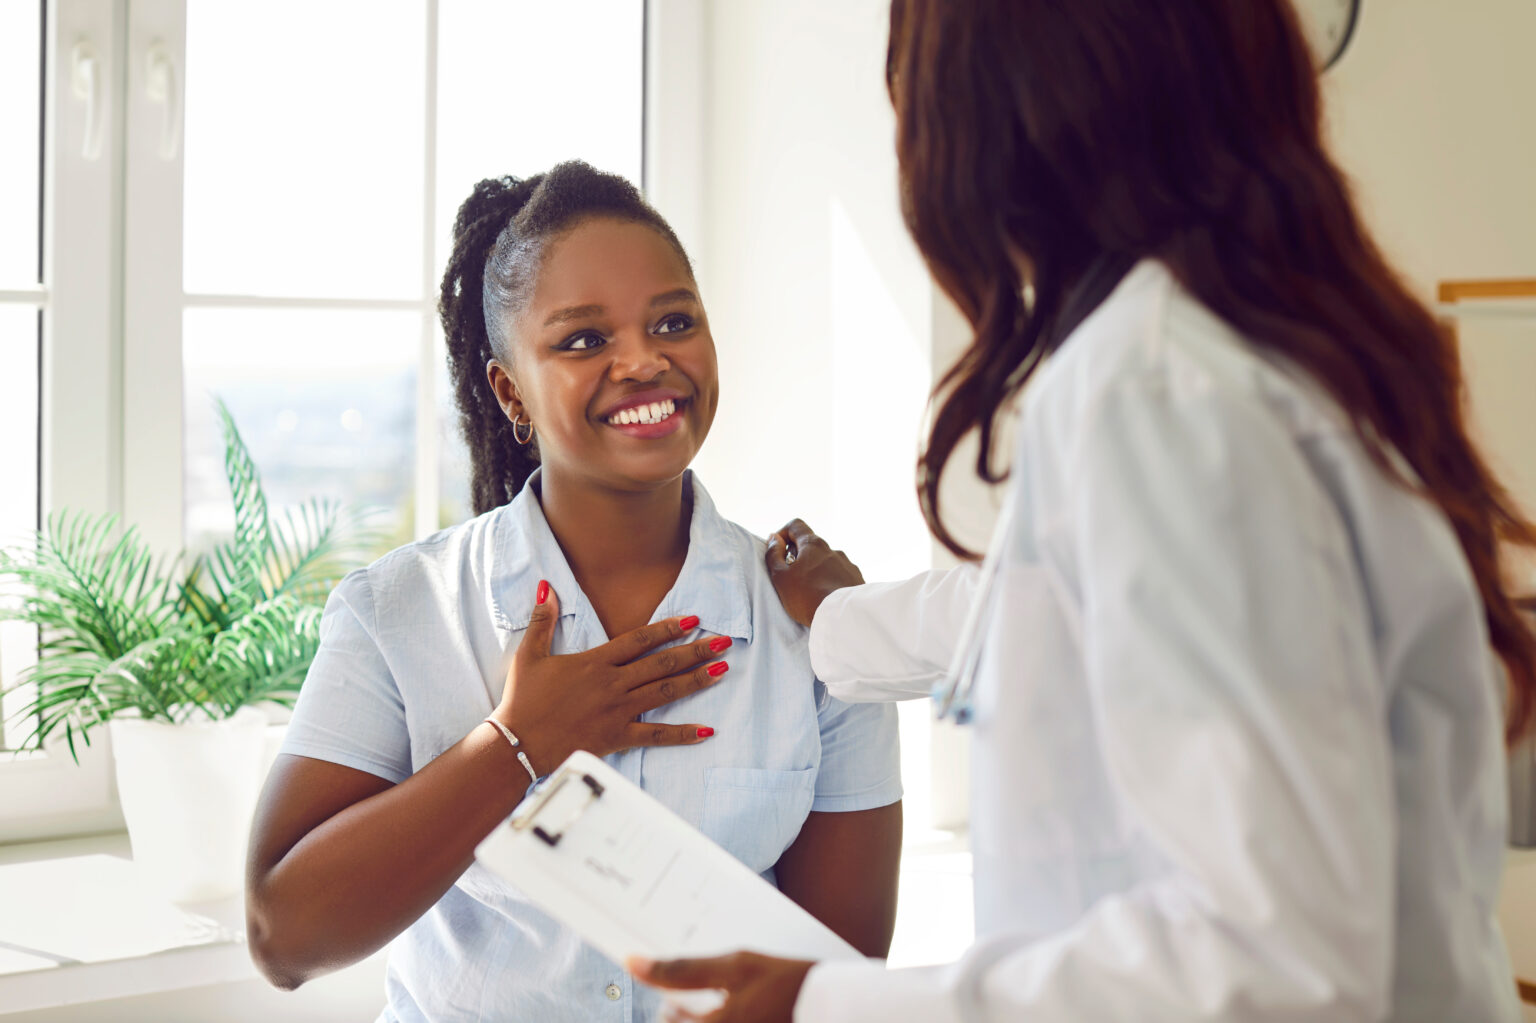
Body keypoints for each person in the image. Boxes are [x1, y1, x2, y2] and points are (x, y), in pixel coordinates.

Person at [629, 1, 1536, 1020]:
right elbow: (1066, 611)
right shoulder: (1271, 352)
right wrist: (840, 620)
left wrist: (825, 1006)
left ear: (998, 112)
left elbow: (1277, 962)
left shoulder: (1153, 391)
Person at [244, 161, 904, 1022]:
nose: (644, 360)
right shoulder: (402, 609)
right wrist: (517, 743)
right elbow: (284, 936)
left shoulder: (816, 627)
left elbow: (837, 978)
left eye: (674, 321)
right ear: (510, 390)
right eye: (585, 340)